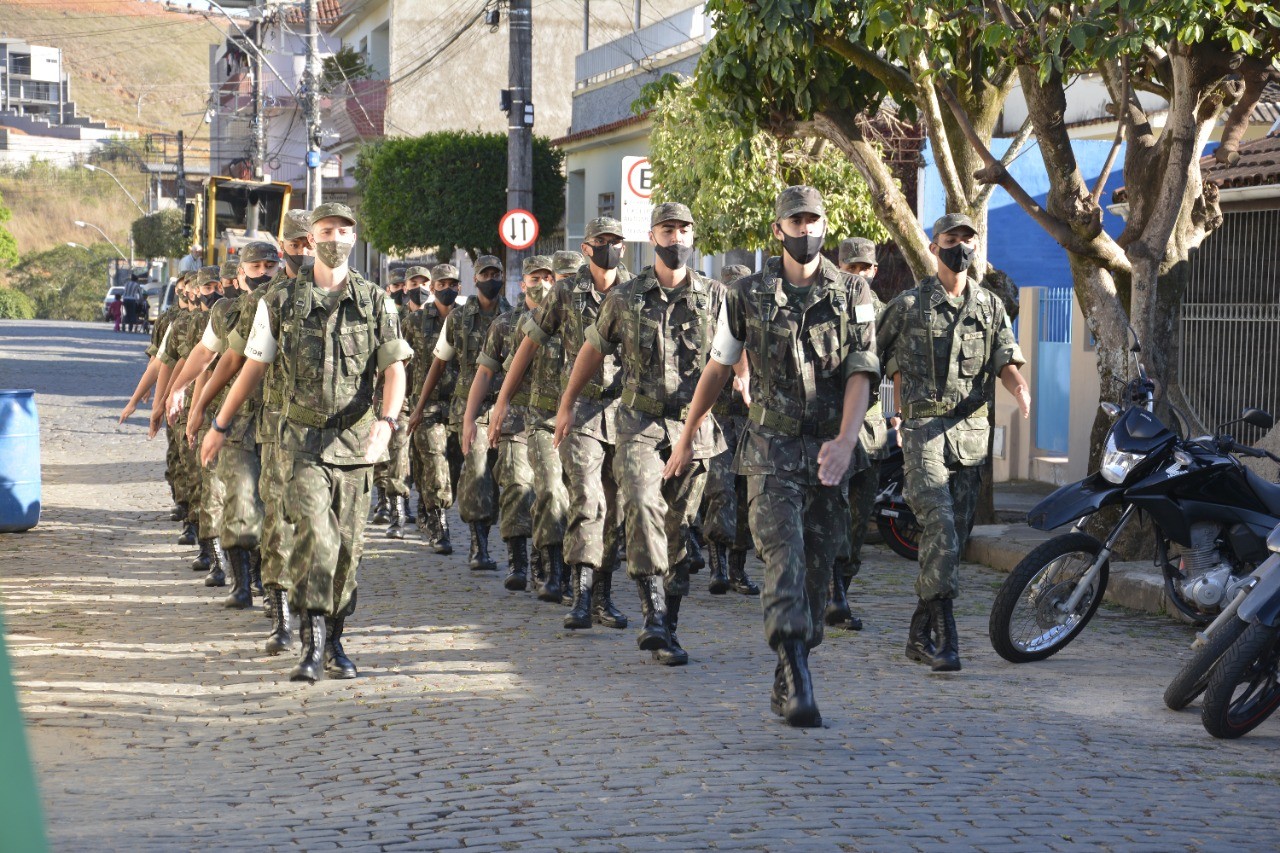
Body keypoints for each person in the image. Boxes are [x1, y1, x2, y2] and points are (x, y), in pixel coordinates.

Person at [665, 186, 879, 726]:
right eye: (796, 221)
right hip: (769, 450)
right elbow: (718, 368)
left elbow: (861, 372)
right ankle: (795, 670)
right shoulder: (747, 295)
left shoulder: (853, 293)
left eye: (814, 221)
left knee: (816, 569)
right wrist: (689, 433)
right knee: (783, 555)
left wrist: (848, 439)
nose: (806, 230)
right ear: (778, 229)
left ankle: (795, 662)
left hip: (831, 451)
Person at [202, 202, 412, 683]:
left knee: (347, 551)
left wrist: (386, 421)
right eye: (324, 230)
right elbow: (252, 367)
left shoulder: (376, 300)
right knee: (316, 537)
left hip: (357, 445)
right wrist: (218, 424)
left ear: (353, 237)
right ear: (310, 239)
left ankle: (336, 639)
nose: (333, 237)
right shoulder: (280, 301)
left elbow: (394, 369)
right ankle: (312, 643)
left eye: (342, 230)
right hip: (299, 445)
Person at [557, 202, 723, 665]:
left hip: (695, 427)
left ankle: (668, 625)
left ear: (693, 237)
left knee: (679, 527)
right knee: (639, 504)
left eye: (684, 231)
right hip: (639, 423)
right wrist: (568, 403)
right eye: (667, 230)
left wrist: (746, 377)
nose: (676, 239)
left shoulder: (716, 297)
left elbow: (735, 349)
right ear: (653, 237)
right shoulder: (625, 297)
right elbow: (591, 351)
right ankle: (651, 612)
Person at [876, 212, 1030, 673]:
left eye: (967, 239)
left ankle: (919, 631)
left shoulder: (990, 306)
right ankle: (945, 635)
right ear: (933, 246)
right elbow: (870, 356)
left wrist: (1020, 387)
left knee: (953, 539)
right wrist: (882, 413)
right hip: (922, 431)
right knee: (940, 524)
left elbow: (1005, 358)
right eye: (951, 238)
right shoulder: (906, 306)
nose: (960, 246)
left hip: (971, 437)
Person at [490, 218, 632, 618]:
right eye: (602, 241)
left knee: (616, 505)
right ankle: (581, 592)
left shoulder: (637, 290)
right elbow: (529, 344)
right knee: (587, 496)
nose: (611, 248)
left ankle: (604, 593)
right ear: (586, 248)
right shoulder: (566, 292)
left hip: (624, 411)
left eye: (616, 242)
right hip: (580, 408)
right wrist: (502, 401)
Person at [409, 257, 510, 571]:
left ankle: (484, 530)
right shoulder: (458, 319)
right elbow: (437, 364)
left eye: (496, 274)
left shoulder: (514, 316)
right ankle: (477, 544)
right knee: (475, 468)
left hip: (504, 408)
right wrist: (418, 406)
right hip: (464, 408)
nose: (490, 280)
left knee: (490, 476)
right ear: (476, 279)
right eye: (485, 275)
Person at [462, 257, 546, 589]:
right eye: (534, 278)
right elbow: (484, 373)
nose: (541, 283)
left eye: (546, 277)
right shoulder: (506, 324)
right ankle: (518, 560)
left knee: (550, 493)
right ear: (522, 283)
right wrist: (470, 419)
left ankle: (546, 562)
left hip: (555, 422)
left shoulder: (570, 322)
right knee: (516, 489)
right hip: (515, 423)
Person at [826, 236, 889, 632]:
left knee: (859, 515)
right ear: (839, 268)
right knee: (833, 509)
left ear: (875, 271)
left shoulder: (887, 314)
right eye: (852, 268)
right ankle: (832, 592)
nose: (860, 274)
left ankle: (841, 587)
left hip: (873, 431)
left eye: (865, 268)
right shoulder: (826, 308)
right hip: (834, 426)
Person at [698, 262, 759, 598]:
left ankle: (738, 569)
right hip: (719, 418)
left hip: (750, 420)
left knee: (745, 495)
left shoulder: (760, 322)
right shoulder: (712, 325)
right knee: (719, 490)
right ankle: (717, 566)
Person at [406, 265, 464, 555]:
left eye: (453, 283)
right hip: (425, 403)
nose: (448, 288)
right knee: (434, 461)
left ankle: (427, 503)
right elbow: (399, 361)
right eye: (442, 283)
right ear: (434, 287)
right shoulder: (415, 322)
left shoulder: (465, 321)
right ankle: (440, 526)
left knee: (451, 465)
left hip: (457, 405)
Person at [372, 266, 409, 525]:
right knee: (379, 454)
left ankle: (398, 508)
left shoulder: (413, 318)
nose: (403, 292)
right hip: (376, 393)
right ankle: (383, 500)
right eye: (395, 287)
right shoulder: (377, 312)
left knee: (398, 453)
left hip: (404, 396)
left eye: (403, 287)